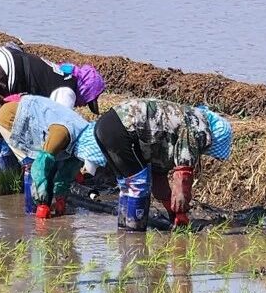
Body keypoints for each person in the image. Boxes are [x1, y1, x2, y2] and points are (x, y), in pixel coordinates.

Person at [0, 46, 105, 195]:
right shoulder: (66, 92)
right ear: (84, 88)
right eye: (87, 101)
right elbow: (58, 130)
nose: (82, 105)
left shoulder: (61, 75)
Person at [92, 98, 233, 231]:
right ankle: (134, 239)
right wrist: (180, 213)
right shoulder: (198, 129)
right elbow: (182, 178)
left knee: (127, 185)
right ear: (214, 140)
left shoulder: (180, 127)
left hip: (106, 126)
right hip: (121, 128)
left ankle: (124, 232)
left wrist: (171, 211)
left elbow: (158, 178)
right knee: (138, 184)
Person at [0, 94, 108, 219]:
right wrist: (43, 203)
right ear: (86, 150)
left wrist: (61, 199)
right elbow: (40, 167)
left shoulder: (80, 143)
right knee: (32, 164)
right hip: (11, 117)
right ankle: (32, 212)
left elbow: (66, 175)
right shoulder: (62, 133)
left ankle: (42, 205)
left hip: (39, 124)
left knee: (52, 164)